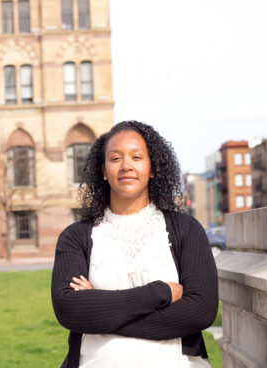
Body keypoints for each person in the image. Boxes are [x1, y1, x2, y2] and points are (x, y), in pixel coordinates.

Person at [51, 121, 219, 368]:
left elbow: (201, 310)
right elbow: (70, 309)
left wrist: (101, 312)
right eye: (115, 158)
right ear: (104, 170)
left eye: (137, 157)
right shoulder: (76, 236)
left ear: (152, 168)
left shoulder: (185, 229)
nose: (126, 166)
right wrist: (162, 292)